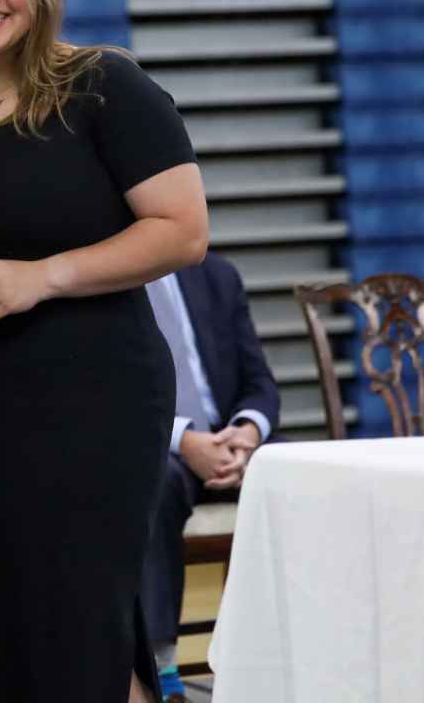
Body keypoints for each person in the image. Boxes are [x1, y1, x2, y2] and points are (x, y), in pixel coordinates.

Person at [0, 0, 209, 703]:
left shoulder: (103, 85)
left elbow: (182, 231)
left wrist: (44, 276)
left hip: (90, 404)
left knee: (80, 628)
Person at [141, 251, 280, 702]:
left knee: (308, 472)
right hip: (157, 442)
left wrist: (247, 432)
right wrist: (185, 440)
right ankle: (163, 670)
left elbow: (260, 382)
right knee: (154, 483)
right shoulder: (108, 280)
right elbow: (102, 392)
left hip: (230, 438)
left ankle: (298, 649)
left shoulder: (217, 275)